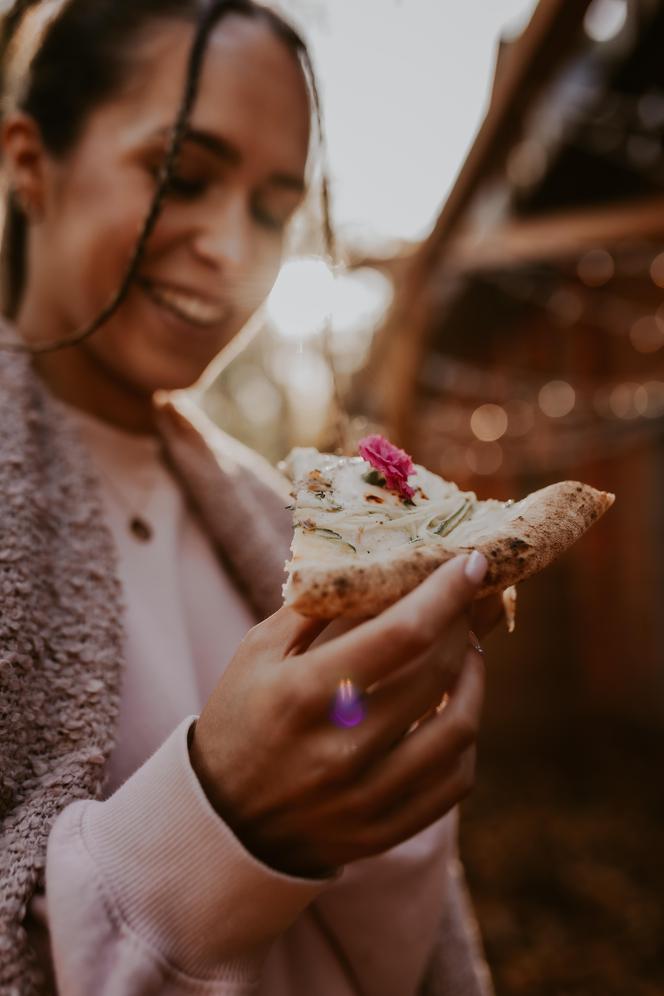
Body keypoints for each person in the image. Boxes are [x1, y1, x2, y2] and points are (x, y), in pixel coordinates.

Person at [0, 1, 498, 993]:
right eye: (182, 176)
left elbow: (393, 921)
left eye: (274, 208)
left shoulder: (281, 521)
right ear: (29, 162)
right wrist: (220, 821)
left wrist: (373, 753)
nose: (234, 249)